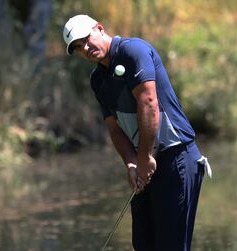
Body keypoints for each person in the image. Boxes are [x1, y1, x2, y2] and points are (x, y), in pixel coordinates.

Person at [62, 14, 212, 251]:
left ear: (99, 29)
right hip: (145, 162)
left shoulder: (133, 51)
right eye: (79, 47)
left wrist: (144, 157)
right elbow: (114, 127)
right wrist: (131, 163)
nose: (86, 48)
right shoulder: (97, 79)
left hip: (176, 158)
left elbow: (149, 103)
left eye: (86, 39)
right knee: (143, 244)